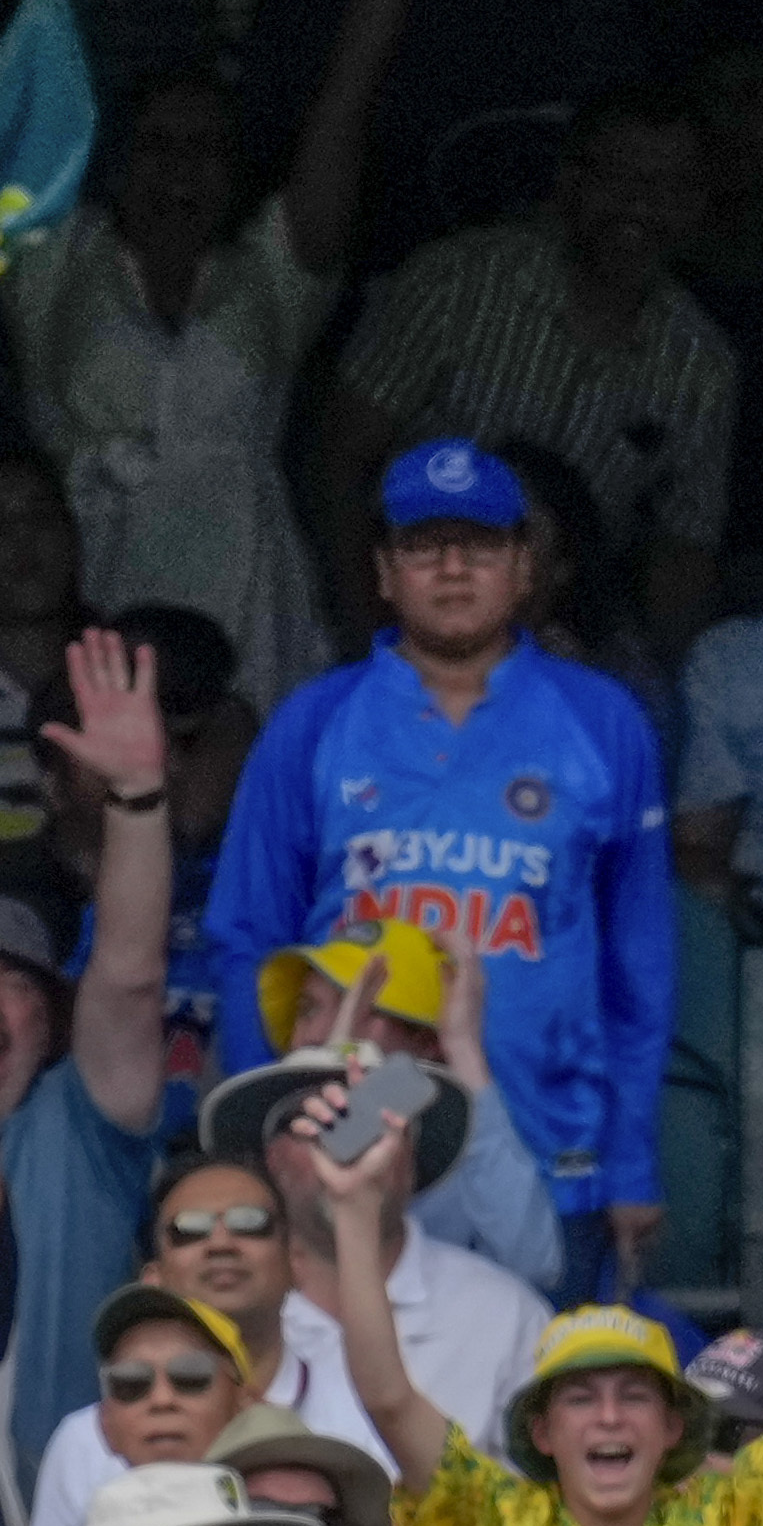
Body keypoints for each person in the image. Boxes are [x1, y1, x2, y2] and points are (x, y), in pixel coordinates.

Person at [205, 440, 676, 1295]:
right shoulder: (314, 721)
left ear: (524, 566)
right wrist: (264, 1138)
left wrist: (631, 1160)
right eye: (424, 548)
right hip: (346, 1131)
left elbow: (636, 967)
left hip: (548, 1137)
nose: (453, 569)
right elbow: (248, 940)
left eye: (482, 546)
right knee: (348, 1414)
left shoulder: (602, 721)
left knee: (536, 1410)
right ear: (385, 570)